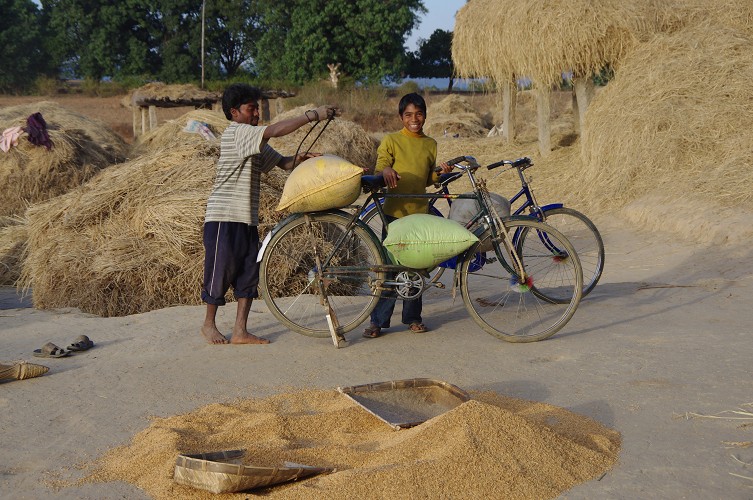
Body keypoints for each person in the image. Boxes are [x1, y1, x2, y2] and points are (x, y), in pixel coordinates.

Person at [201, 83, 337, 345]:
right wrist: (313, 115)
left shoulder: (253, 141)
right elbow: (274, 131)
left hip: (246, 218)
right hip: (224, 218)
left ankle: (240, 330)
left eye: (256, 109)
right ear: (234, 112)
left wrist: (300, 159)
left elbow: (282, 163)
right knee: (219, 272)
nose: (256, 115)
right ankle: (209, 325)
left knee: (247, 274)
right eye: (251, 109)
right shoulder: (237, 133)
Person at [363, 93, 453, 339]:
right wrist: (387, 170)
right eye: (409, 115)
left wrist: (440, 174)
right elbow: (381, 166)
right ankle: (378, 322)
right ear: (401, 117)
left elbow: (427, 179)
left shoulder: (430, 144)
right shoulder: (391, 140)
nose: (414, 119)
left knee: (416, 268)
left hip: (418, 215)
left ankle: (413, 318)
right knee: (389, 268)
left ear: (425, 114)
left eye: (419, 114)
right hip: (394, 214)